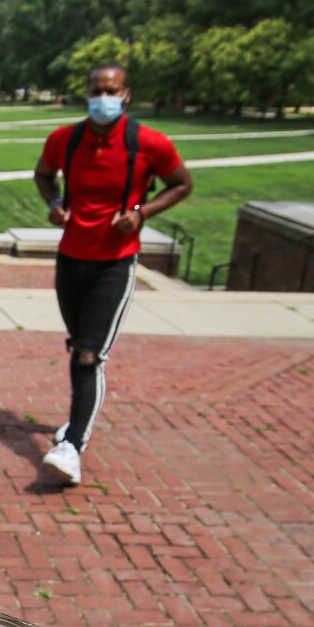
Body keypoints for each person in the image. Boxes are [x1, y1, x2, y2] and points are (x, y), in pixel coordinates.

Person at [32, 62, 194, 485]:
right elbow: (43, 175)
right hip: (71, 257)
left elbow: (182, 183)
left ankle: (71, 448)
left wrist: (142, 213)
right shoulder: (64, 140)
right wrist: (54, 204)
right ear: (87, 93)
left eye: (112, 90)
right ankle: (75, 425)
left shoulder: (150, 144)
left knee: (91, 354)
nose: (103, 97)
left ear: (126, 95)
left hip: (115, 262)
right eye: (96, 90)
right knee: (77, 347)